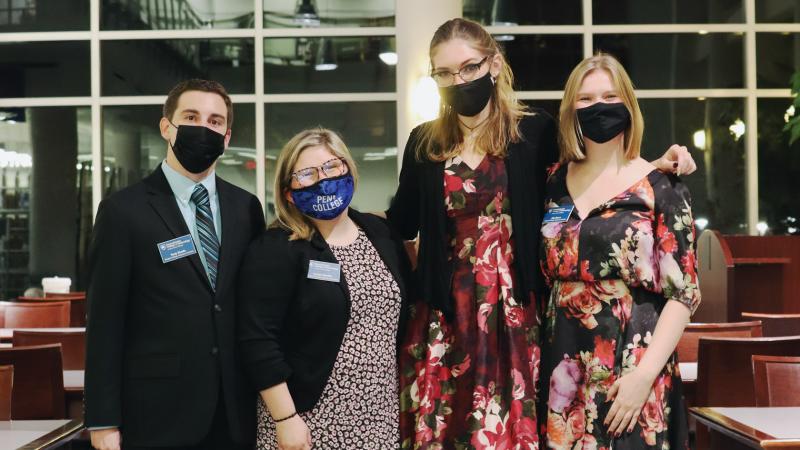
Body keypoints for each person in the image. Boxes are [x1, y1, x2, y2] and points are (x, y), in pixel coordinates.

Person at [386, 18, 696, 448]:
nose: (458, 81)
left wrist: (656, 167)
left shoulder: (534, 131)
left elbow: (592, 169)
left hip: (520, 315)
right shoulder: (424, 143)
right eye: (444, 73)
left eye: (469, 67)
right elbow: (400, 224)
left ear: (494, 65)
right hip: (446, 316)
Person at [84, 79, 265, 450]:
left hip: (235, 412)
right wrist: (103, 421)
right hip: (156, 414)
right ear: (167, 127)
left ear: (227, 137)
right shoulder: (123, 211)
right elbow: (104, 321)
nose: (204, 128)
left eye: (215, 121)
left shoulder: (246, 208)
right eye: (191, 117)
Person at [540, 53, 700, 449]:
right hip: (562, 370)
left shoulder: (662, 187)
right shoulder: (551, 183)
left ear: (628, 104)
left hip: (633, 368)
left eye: (610, 96)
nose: (599, 106)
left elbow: (683, 294)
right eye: (586, 98)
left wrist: (643, 377)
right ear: (570, 109)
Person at [237, 128, 413, 450]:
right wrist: (285, 419)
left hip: (380, 416)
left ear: (348, 169)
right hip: (307, 419)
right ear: (289, 192)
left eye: (332, 167)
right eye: (307, 174)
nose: (324, 179)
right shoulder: (276, 248)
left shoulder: (381, 233)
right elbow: (257, 339)